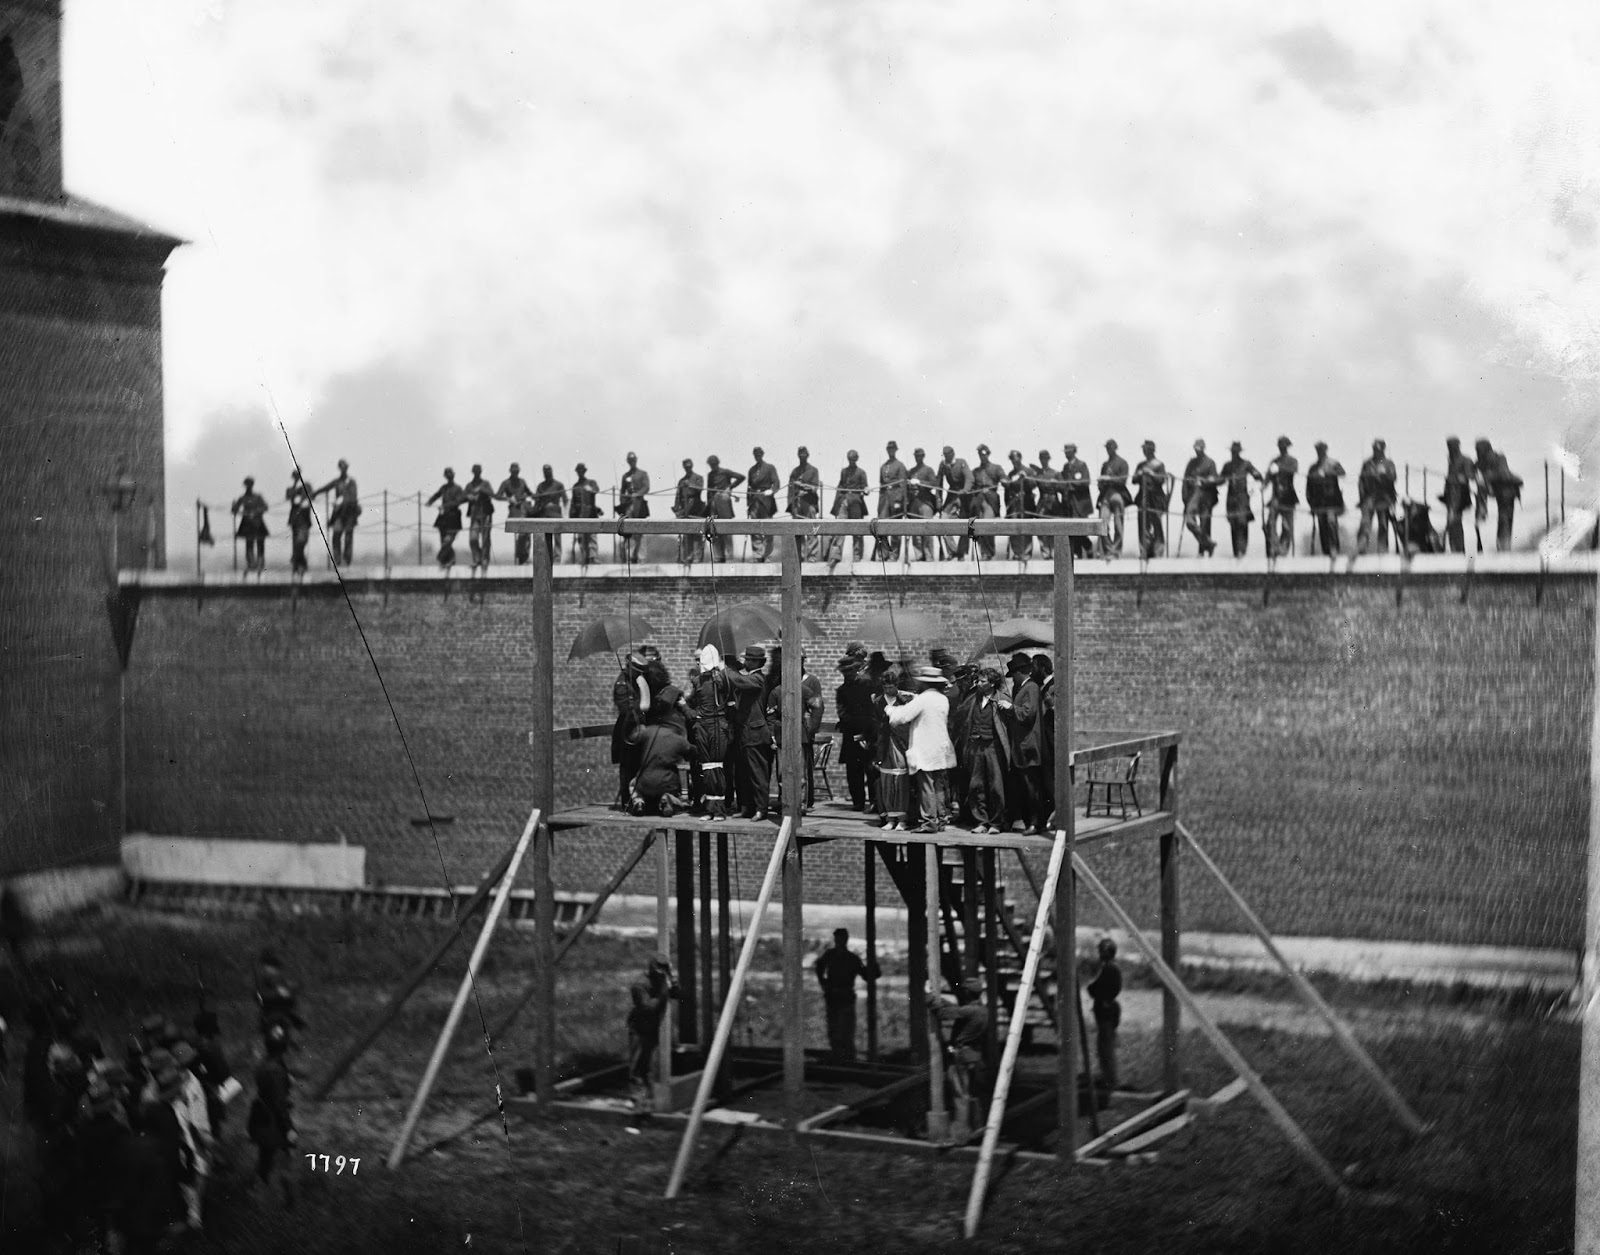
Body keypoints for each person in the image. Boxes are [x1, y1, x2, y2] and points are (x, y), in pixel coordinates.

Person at [885, 665, 957, 833]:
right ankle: (941, 819)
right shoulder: (942, 699)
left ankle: (929, 822)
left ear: (925, 683)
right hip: (940, 748)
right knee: (938, 786)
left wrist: (890, 709)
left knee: (926, 786)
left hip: (926, 748)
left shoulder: (923, 699)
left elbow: (902, 717)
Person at [933, 976, 988, 1138]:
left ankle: (960, 1135)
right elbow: (959, 1009)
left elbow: (942, 1014)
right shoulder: (981, 1010)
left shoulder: (969, 1011)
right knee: (973, 1093)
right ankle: (978, 1128)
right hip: (974, 1055)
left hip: (961, 1055)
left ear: (967, 993)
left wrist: (930, 999)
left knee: (960, 1095)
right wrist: (942, 1000)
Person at [247, 1021, 295, 1204]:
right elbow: (279, 1104)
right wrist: (289, 1128)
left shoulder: (264, 1063)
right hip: (273, 1121)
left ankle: (259, 1191)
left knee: (265, 1156)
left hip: (261, 1116)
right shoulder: (276, 1071)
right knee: (281, 1157)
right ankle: (281, 1197)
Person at [726, 645, 775, 820]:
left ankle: (761, 809)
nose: (745, 662)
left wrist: (725, 669)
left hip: (755, 734)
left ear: (756, 662)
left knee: (757, 773)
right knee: (742, 774)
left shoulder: (758, 679)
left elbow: (740, 682)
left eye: (748, 660)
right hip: (743, 733)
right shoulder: (749, 677)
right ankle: (746, 807)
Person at [814, 929, 879, 1061]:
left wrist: (874, 967)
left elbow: (867, 975)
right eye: (837, 939)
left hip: (843, 997)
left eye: (840, 939)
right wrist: (823, 982)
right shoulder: (834, 955)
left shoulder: (850, 958)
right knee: (836, 1029)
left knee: (845, 1029)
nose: (839, 942)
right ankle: (840, 1056)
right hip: (835, 997)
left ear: (845, 940)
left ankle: (845, 1057)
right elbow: (819, 967)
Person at [687, 645, 734, 818]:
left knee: (716, 766)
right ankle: (711, 808)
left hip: (716, 725)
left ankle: (719, 809)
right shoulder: (699, 681)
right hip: (705, 725)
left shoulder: (722, 680)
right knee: (707, 767)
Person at [626, 957, 679, 1109]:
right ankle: (637, 1100)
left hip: (653, 1028)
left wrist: (674, 984)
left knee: (649, 1064)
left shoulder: (662, 982)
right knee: (638, 1064)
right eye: (662, 970)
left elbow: (679, 995)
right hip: (639, 1028)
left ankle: (648, 1099)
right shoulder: (640, 985)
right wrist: (664, 988)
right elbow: (649, 1008)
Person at [963, 667, 1010, 833]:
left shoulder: (1002, 699)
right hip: (976, 746)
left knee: (995, 785)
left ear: (992, 683)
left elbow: (1009, 724)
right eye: (978, 680)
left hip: (993, 747)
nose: (979, 684)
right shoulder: (974, 699)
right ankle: (981, 821)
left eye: (983, 681)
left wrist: (1009, 708)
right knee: (976, 784)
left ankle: (996, 823)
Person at [834, 649, 875, 811]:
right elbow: (842, 713)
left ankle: (874, 802)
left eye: (850, 671)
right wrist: (853, 729)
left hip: (867, 733)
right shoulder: (842, 691)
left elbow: (870, 710)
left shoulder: (866, 686)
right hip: (851, 735)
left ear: (855, 670)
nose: (847, 675)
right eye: (844, 672)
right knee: (853, 770)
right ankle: (858, 801)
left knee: (871, 768)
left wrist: (866, 732)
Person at [627, 716, 692, 816]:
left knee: (632, 784)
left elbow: (632, 738)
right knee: (677, 795)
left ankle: (639, 801)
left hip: (644, 782)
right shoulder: (679, 740)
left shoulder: (649, 731)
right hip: (667, 783)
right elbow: (692, 753)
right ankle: (668, 798)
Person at [612, 651, 650, 807]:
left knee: (636, 765)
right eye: (637, 671)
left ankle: (637, 800)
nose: (639, 675)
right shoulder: (622, 685)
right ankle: (627, 801)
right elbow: (626, 709)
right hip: (627, 730)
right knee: (627, 767)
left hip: (636, 727)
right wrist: (640, 707)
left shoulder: (633, 681)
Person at [1087, 935, 1123, 1091]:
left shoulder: (1110, 968)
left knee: (1106, 1047)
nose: (1099, 953)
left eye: (1101, 951)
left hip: (1106, 1011)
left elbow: (1095, 988)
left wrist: (1097, 992)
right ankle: (1107, 1078)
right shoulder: (1109, 967)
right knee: (1104, 1046)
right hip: (1105, 1010)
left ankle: (1110, 1080)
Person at [1475, 439, 1522, 551]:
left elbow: (1503, 472)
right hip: (1497, 492)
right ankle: (1502, 546)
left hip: (1508, 491)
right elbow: (1474, 474)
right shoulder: (1480, 463)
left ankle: (1504, 547)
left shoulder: (1499, 458)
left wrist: (1486, 476)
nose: (1478, 452)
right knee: (1503, 519)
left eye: (1479, 450)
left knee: (1504, 519)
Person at [315, 459, 361, 566]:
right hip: (339, 513)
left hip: (349, 513)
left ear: (346, 468)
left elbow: (353, 496)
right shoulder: (337, 482)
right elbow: (326, 488)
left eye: (344, 467)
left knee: (348, 538)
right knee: (336, 536)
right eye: (341, 467)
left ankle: (346, 561)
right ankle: (338, 560)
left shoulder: (351, 482)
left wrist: (343, 500)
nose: (343, 469)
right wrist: (315, 493)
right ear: (340, 468)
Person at [1302, 442, 1346, 557]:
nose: (1320, 452)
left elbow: (1342, 473)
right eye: (1318, 450)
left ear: (1325, 450)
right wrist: (1311, 504)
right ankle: (1326, 551)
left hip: (1332, 501)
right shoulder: (1313, 468)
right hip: (1319, 503)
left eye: (1322, 450)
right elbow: (1308, 488)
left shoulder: (1333, 463)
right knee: (1322, 527)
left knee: (1331, 524)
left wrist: (1328, 473)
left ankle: (1334, 549)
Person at [1220, 442, 1263, 558]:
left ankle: (1241, 550)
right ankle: (1237, 552)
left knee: (1242, 522)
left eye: (1236, 452)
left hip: (1242, 497)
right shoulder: (1227, 466)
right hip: (1231, 498)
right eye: (1232, 452)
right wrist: (1210, 480)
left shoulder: (1245, 464)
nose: (1234, 454)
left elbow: (1257, 474)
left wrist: (1257, 475)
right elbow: (1221, 479)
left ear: (1239, 452)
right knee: (1233, 523)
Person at [1356, 439, 1397, 555]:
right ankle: (1362, 546)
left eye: (1378, 449)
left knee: (1383, 524)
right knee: (1365, 522)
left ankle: (1382, 548)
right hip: (1370, 497)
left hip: (1384, 497)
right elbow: (1361, 481)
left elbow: (1393, 478)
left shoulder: (1388, 463)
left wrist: (1385, 474)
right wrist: (1362, 498)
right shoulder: (1367, 463)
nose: (1376, 451)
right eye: (1375, 449)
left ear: (1383, 449)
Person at [1440, 437, 1479, 554]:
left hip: (1460, 495)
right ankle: (1455, 549)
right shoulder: (1451, 461)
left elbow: (1471, 476)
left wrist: (1461, 477)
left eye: (1453, 446)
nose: (1451, 449)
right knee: (1452, 522)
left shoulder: (1465, 460)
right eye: (1449, 446)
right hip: (1451, 495)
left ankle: (1458, 549)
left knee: (1455, 521)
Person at [1180, 440, 1219, 557]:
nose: (1197, 450)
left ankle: (1203, 551)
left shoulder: (1210, 463)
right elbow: (1185, 481)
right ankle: (1208, 543)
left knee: (1205, 523)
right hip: (1192, 496)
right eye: (1195, 448)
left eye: (1199, 448)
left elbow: (1215, 479)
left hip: (1206, 497)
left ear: (1203, 448)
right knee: (1189, 521)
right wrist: (1185, 498)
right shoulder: (1191, 463)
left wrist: (1205, 481)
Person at [1132, 441, 1169, 559]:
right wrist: (1139, 474)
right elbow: (1133, 480)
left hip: (1156, 496)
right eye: (1144, 449)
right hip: (1143, 496)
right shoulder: (1141, 465)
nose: (1145, 451)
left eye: (1147, 449)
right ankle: (1145, 550)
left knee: (1157, 523)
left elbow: (1162, 480)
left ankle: (1158, 550)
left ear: (1152, 450)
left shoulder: (1159, 465)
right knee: (1143, 523)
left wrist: (1152, 473)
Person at [830, 450, 870, 562]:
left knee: (856, 529)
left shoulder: (861, 472)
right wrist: (836, 506)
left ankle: (857, 556)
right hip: (844, 501)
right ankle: (835, 556)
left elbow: (865, 487)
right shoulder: (844, 472)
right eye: (850, 459)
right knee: (840, 528)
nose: (851, 461)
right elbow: (840, 486)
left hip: (856, 503)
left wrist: (866, 490)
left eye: (853, 459)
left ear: (856, 459)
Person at [938, 445, 976, 560]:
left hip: (964, 497)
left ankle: (961, 553)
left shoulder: (961, 463)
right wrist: (938, 499)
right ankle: (953, 551)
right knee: (942, 522)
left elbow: (970, 478)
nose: (947, 458)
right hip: (951, 496)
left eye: (949, 456)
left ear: (953, 454)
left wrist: (965, 490)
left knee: (965, 525)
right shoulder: (943, 465)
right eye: (945, 456)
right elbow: (938, 482)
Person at [704, 455, 744, 562]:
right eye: (711, 464)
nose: (712, 466)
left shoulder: (725, 472)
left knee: (727, 530)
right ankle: (718, 556)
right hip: (713, 504)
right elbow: (708, 491)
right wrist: (708, 507)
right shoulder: (710, 475)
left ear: (717, 463)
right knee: (714, 530)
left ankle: (730, 556)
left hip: (724, 503)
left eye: (714, 464)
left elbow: (741, 477)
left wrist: (729, 487)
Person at [1096, 440, 1131, 558]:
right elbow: (1101, 483)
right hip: (1106, 495)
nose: (1108, 450)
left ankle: (1116, 551)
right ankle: (1108, 550)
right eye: (1107, 448)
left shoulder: (1122, 463)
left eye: (1110, 447)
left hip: (1118, 494)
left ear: (1115, 448)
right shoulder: (1105, 464)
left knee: (1118, 523)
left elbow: (1123, 480)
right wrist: (1101, 482)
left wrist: (1109, 478)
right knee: (1103, 522)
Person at [1264, 437, 1298, 558]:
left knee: (1287, 525)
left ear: (1287, 447)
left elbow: (1294, 470)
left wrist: (1280, 469)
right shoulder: (1274, 461)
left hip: (1288, 497)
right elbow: (1268, 476)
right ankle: (1275, 546)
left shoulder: (1292, 461)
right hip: (1276, 497)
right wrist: (1264, 485)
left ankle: (1283, 549)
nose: (1282, 448)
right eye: (1280, 446)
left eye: (1284, 447)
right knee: (1270, 522)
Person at [1060, 443, 1095, 559]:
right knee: (1070, 528)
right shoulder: (1065, 467)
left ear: (1074, 451)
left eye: (1069, 451)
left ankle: (1088, 547)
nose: (1066, 454)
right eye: (1065, 452)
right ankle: (1077, 553)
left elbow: (1086, 481)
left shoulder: (1081, 465)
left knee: (1079, 528)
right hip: (1068, 503)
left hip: (1080, 503)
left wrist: (1072, 484)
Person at [426, 468, 466, 568]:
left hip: (454, 517)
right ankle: (449, 560)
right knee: (443, 540)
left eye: (450, 474)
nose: (449, 476)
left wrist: (445, 506)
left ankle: (442, 558)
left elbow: (459, 501)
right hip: (443, 517)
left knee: (448, 540)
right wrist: (430, 502)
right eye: (447, 474)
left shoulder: (458, 488)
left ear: (453, 475)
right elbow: (436, 495)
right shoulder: (443, 487)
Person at [787, 448, 823, 560]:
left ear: (807, 455)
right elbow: (790, 490)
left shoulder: (813, 470)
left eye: (804, 455)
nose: (802, 457)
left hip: (809, 503)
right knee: (797, 531)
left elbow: (814, 488)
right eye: (800, 455)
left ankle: (812, 556)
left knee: (812, 529)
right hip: (797, 504)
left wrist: (802, 486)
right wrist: (791, 505)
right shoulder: (795, 472)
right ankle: (799, 556)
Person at [875, 441, 909, 561]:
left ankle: (894, 555)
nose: (890, 451)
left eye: (892, 449)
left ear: (895, 450)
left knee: (895, 528)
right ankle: (883, 554)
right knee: (881, 527)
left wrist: (899, 500)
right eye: (889, 449)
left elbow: (903, 485)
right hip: (884, 499)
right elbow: (881, 485)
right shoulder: (883, 466)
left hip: (895, 499)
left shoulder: (900, 465)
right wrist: (880, 503)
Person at [746, 447, 780, 561]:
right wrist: (748, 503)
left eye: (759, 455)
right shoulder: (751, 470)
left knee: (768, 528)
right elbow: (749, 487)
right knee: (754, 528)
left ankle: (767, 555)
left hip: (766, 501)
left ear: (762, 455)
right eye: (756, 455)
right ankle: (757, 555)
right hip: (754, 501)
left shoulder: (770, 468)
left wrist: (772, 491)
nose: (757, 457)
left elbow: (776, 482)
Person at [230, 477, 269, 574]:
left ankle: (260, 565)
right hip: (247, 523)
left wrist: (256, 511)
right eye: (247, 485)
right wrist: (234, 506)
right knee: (249, 545)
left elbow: (265, 507)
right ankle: (251, 565)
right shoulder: (242, 498)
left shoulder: (258, 497)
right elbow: (234, 510)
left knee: (260, 544)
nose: (248, 487)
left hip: (258, 522)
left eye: (250, 485)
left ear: (252, 485)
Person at [497, 462, 533, 565]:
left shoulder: (522, 481)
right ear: (510, 472)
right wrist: (509, 498)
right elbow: (498, 495)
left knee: (527, 534)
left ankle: (524, 557)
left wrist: (534, 496)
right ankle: (521, 556)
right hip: (514, 511)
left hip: (525, 510)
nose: (515, 473)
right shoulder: (506, 483)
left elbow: (530, 493)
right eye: (514, 471)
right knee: (522, 533)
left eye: (517, 471)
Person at [907, 448, 940, 560]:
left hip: (926, 502)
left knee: (928, 529)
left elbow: (933, 484)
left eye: (920, 456)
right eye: (916, 456)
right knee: (915, 531)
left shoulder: (928, 470)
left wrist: (920, 482)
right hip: (913, 503)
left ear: (923, 456)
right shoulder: (911, 471)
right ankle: (919, 556)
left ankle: (929, 556)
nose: (918, 458)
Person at [971, 445, 1003, 559]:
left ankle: (989, 551)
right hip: (978, 500)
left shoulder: (996, 468)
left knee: (987, 524)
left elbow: (1004, 478)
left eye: (984, 454)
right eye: (980, 454)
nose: (982, 457)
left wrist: (1004, 481)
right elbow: (971, 484)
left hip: (991, 499)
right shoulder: (975, 471)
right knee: (978, 526)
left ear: (988, 454)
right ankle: (984, 553)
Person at [617, 452, 650, 563]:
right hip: (628, 507)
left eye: (633, 460)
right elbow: (622, 492)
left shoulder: (643, 474)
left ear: (636, 460)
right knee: (628, 531)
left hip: (640, 506)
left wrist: (638, 494)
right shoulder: (625, 476)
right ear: (628, 462)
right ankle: (630, 557)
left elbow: (646, 487)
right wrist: (622, 505)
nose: (632, 462)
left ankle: (641, 557)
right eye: (630, 461)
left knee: (641, 531)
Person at [672, 458, 706, 564]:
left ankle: (697, 557)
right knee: (686, 533)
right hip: (684, 510)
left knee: (697, 533)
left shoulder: (698, 478)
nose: (687, 468)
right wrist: (677, 509)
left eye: (689, 466)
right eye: (686, 467)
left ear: (692, 466)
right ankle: (687, 556)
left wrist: (689, 485)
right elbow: (678, 496)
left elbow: (700, 489)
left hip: (696, 508)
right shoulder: (681, 481)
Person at [1003, 450, 1035, 560]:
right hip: (1014, 505)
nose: (1014, 462)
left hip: (1026, 504)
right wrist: (1007, 504)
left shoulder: (1028, 471)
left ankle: (1026, 553)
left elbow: (1033, 485)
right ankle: (1017, 552)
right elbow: (1007, 491)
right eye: (1012, 460)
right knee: (1013, 527)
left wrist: (1025, 479)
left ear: (1020, 458)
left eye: (1016, 459)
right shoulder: (1011, 474)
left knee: (1026, 527)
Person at [464, 463, 497, 572]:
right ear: (473, 472)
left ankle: (485, 559)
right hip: (475, 516)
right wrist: (468, 496)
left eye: (478, 472)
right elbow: (463, 496)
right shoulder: (469, 485)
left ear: (480, 472)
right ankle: (477, 558)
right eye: (475, 472)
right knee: (473, 539)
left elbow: (492, 494)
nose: (477, 474)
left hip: (486, 514)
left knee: (485, 539)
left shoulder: (485, 483)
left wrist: (481, 490)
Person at [1032, 450, 1063, 556]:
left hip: (1054, 503)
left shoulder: (1055, 473)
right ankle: (1045, 552)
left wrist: (1057, 484)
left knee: (1055, 527)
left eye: (1045, 458)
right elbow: (1031, 484)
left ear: (1048, 459)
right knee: (1041, 528)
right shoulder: (1037, 474)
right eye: (1041, 459)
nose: (1043, 461)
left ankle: (1054, 551)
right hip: (1042, 502)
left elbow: (1063, 488)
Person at [569, 463, 602, 564]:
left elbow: (597, 490)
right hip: (580, 515)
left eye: (582, 470)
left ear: (584, 471)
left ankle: (593, 557)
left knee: (592, 536)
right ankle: (585, 558)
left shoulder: (591, 482)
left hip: (591, 514)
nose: (580, 472)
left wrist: (591, 489)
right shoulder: (575, 486)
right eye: (578, 471)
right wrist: (571, 516)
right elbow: (573, 502)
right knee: (581, 537)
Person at [285, 471, 313, 576]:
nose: (296, 478)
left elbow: (311, 495)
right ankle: (298, 566)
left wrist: (302, 496)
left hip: (304, 520)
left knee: (301, 542)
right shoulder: (291, 489)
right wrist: (295, 488)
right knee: (295, 543)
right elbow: (288, 496)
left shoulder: (307, 486)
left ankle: (299, 563)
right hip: (295, 520)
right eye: (295, 477)